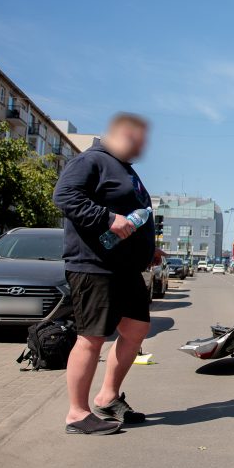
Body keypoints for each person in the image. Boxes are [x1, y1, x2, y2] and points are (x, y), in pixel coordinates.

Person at [53, 113, 156, 435]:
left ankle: (108, 396)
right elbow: (65, 196)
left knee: (137, 329)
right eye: (138, 141)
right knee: (92, 338)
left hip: (124, 268)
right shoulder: (91, 161)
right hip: (94, 265)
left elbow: (134, 217)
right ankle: (77, 414)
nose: (142, 149)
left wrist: (148, 247)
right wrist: (107, 218)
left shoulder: (124, 170)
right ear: (121, 134)